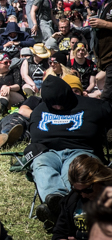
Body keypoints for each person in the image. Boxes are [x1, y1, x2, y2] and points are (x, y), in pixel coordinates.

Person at [29, 75, 111, 223]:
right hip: (48, 152)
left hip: (81, 150)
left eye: (60, 102)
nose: (57, 107)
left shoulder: (93, 105)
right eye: (53, 104)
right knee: (41, 164)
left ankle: (61, 211)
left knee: (74, 170)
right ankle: (57, 201)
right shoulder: (40, 109)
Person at [36, 155, 110, 240]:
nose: (83, 195)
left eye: (87, 190)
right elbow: (60, 231)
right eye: (78, 191)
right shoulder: (74, 200)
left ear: (99, 180)